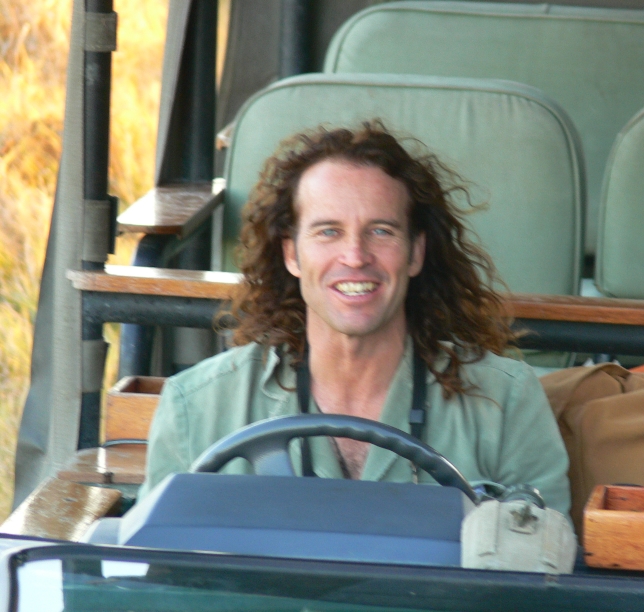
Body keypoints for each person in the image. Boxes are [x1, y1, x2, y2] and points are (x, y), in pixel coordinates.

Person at [139, 121, 571, 517]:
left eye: (381, 231)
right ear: (291, 254)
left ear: (416, 253)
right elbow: (152, 568)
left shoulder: (506, 403)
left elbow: (543, 563)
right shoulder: (195, 407)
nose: (355, 256)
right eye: (328, 231)